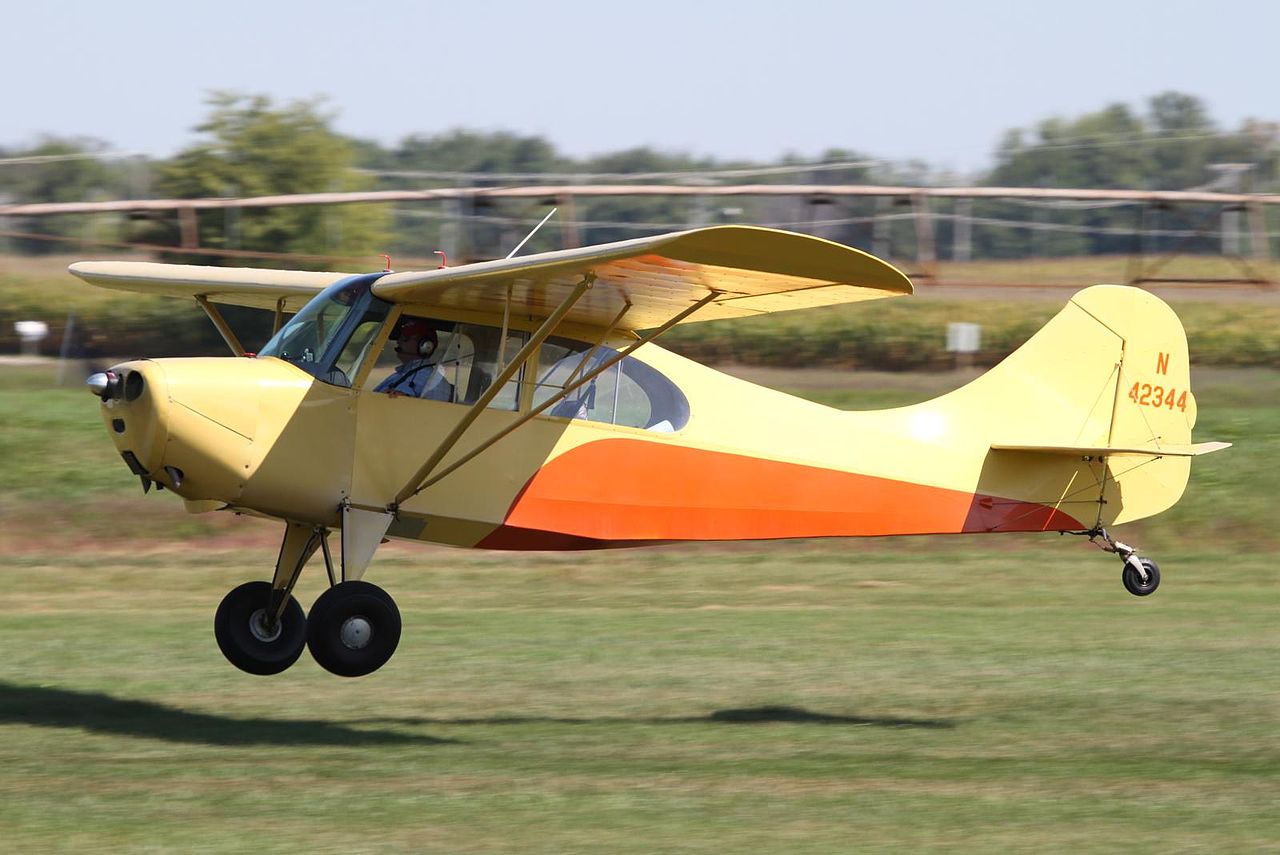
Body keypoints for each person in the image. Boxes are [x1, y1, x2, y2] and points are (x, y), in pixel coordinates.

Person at [374, 318, 454, 401]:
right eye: (400, 337)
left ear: (425, 346)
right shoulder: (396, 376)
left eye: (405, 338)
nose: (399, 341)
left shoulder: (435, 382)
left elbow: (435, 412)